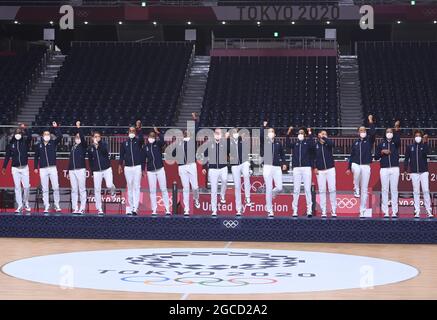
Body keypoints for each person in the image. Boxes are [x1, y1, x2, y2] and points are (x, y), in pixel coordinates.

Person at [346, 115, 376, 218]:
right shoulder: (355, 143)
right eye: (361, 130)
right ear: (358, 133)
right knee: (357, 170)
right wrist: (348, 167)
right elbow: (351, 156)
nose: (363, 132)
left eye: (364, 130)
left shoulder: (369, 140)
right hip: (355, 164)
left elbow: (373, 133)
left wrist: (370, 121)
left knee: (365, 189)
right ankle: (355, 187)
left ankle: (362, 210)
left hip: (366, 165)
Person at [1, 123, 32, 214]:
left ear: (21, 134)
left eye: (19, 133)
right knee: (17, 188)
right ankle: (20, 205)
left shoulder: (25, 142)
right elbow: (7, 157)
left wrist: (24, 129)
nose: (18, 134)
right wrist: (4, 167)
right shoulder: (10, 145)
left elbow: (30, 137)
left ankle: (26, 202)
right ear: (14, 135)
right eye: (16, 133)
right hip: (15, 169)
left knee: (26, 187)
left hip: (24, 168)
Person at [174, 113, 201, 216]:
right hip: (182, 167)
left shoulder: (192, 141)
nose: (186, 133)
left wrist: (195, 120)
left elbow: (197, 130)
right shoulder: (178, 143)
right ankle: (187, 209)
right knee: (185, 188)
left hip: (191, 165)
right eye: (184, 132)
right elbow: (173, 153)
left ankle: (196, 199)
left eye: (187, 132)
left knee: (195, 186)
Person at [34, 121, 62, 214]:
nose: (47, 135)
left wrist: (56, 128)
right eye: (45, 134)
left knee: (56, 187)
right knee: (45, 189)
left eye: (48, 134)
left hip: (53, 168)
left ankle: (57, 204)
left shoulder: (53, 143)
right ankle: (46, 206)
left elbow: (60, 137)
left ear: (50, 135)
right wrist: (35, 167)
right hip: (42, 169)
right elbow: (36, 157)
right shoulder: (39, 145)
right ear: (42, 136)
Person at [404, 130, 433, 218]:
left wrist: (425, 142)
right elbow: (406, 159)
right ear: (414, 137)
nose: (418, 137)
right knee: (416, 192)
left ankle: (428, 211)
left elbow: (427, 152)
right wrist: (405, 169)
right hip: (414, 172)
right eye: (416, 135)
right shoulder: (410, 147)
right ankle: (417, 211)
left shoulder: (424, 146)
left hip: (424, 172)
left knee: (426, 191)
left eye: (419, 135)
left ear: (421, 137)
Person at [375, 121, 401, 218]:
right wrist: (382, 152)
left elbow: (398, 140)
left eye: (390, 132)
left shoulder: (395, 143)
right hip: (384, 169)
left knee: (394, 190)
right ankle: (385, 211)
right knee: (385, 189)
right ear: (385, 134)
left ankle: (394, 211)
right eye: (387, 132)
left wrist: (396, 129)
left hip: (394, 168)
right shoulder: (381, 144)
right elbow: (376, 157)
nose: (389, 133)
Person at [260, 121, 287, 218]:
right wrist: (263, 126)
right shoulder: (265, 141)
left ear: (275, 134)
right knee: (268, 188)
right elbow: (261, 134)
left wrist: (284, 163)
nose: (271, 133)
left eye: (272, 131)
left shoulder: (278, 143)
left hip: (276, 167)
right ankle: (270, 210)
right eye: (269, 131)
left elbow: (283, 154)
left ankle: (273, 194)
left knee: (279, 187)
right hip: (267, 166)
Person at [287, 126, 315, 217]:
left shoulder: (308, 143)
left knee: (307, 189)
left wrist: (310, 133)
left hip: (306, 168)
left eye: (302, 133)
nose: (300, 134)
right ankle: (294, 210)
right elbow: (287, 144)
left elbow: (313, 145)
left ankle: (309, 210)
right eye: (299, 133)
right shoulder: (295, 144)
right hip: (296, 168)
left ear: (305, 135)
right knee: (296, 190)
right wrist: (288, 133)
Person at [118, 121, 144, 216]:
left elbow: (141, 138)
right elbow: (121, 155)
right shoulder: (124, 143)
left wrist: (139, 128)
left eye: (133, 131)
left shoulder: (138, 141)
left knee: (137, 187)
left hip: (137, 166)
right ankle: (130, 206)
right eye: (130, 131)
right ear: (128, 132)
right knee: (129, 187)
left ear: (135, 132)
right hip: (128, 168)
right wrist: (120, 165)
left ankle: (135, 208)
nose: (132, 132)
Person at [143, 127, 170, 216]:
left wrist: (158, 132)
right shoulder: (145, 147)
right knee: (152, 191)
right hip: (151, 171)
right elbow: (143, 159)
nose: (152, 137)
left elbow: (163, 141)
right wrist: (143, 169)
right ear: (148, 137)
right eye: (150, 136)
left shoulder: (158, 144)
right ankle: (154, 209)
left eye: (153, 136)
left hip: (160, 169)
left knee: (164, 189)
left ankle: (167, 209)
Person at [202, 128, 228, 217]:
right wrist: (204, 167)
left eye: (219, 133)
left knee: (225, 180)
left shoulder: (224, 143)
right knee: (213, 190)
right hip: (213, 169)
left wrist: (227, 139)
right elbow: (205, 156)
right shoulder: (209, 144)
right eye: (216, 133)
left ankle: (222, 195)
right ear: (214, 135)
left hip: (223, 167)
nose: (218, 134)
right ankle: (214, 210)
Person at [88, 131, 116, 216]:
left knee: (109, 185)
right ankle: (99, 208)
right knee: (97, 189)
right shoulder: (90, 148)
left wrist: (99, 145)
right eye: (95, 136)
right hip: (96, 171)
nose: (97, 138)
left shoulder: (104, 144)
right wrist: (92, 171)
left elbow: (105, 152)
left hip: (106, 169)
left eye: (98, 136)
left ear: (100, 137)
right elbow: (90, 161)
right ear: (92, 138)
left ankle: (113, 191)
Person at [227, 127, 252, 217]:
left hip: (244, 162)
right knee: (237, 187)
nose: (234, 133)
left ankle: (247, 197)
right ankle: (238, 209)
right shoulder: (228, 142)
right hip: (234, 165)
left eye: (236, 132)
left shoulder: (242, 140)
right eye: (232, 132)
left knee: (246, 175)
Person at [313, 129, 336, 218]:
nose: (324, 135)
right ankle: (323, 210)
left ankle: (333, 210)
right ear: (318, 135)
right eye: (322, 134)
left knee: (332, 189)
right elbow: (313, 157)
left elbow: (332, 144)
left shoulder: (328, 144)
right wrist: (314, 167)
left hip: (330, 169)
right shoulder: (316, 145)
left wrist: (325, 138)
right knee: (322, 190)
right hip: (320, 171)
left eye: (325, 134)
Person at [67, 121, 88, 215]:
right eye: (76, 137)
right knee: (74, 189)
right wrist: (68, 170)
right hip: (72, 170)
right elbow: (70, 159)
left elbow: (83, 138)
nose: (78, 138)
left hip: (80, 169)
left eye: (79, 137)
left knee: (82, 189)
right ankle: (75, 208)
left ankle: (82, 208)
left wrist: (79, 128)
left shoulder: (83, 146)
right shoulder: (73, 147)